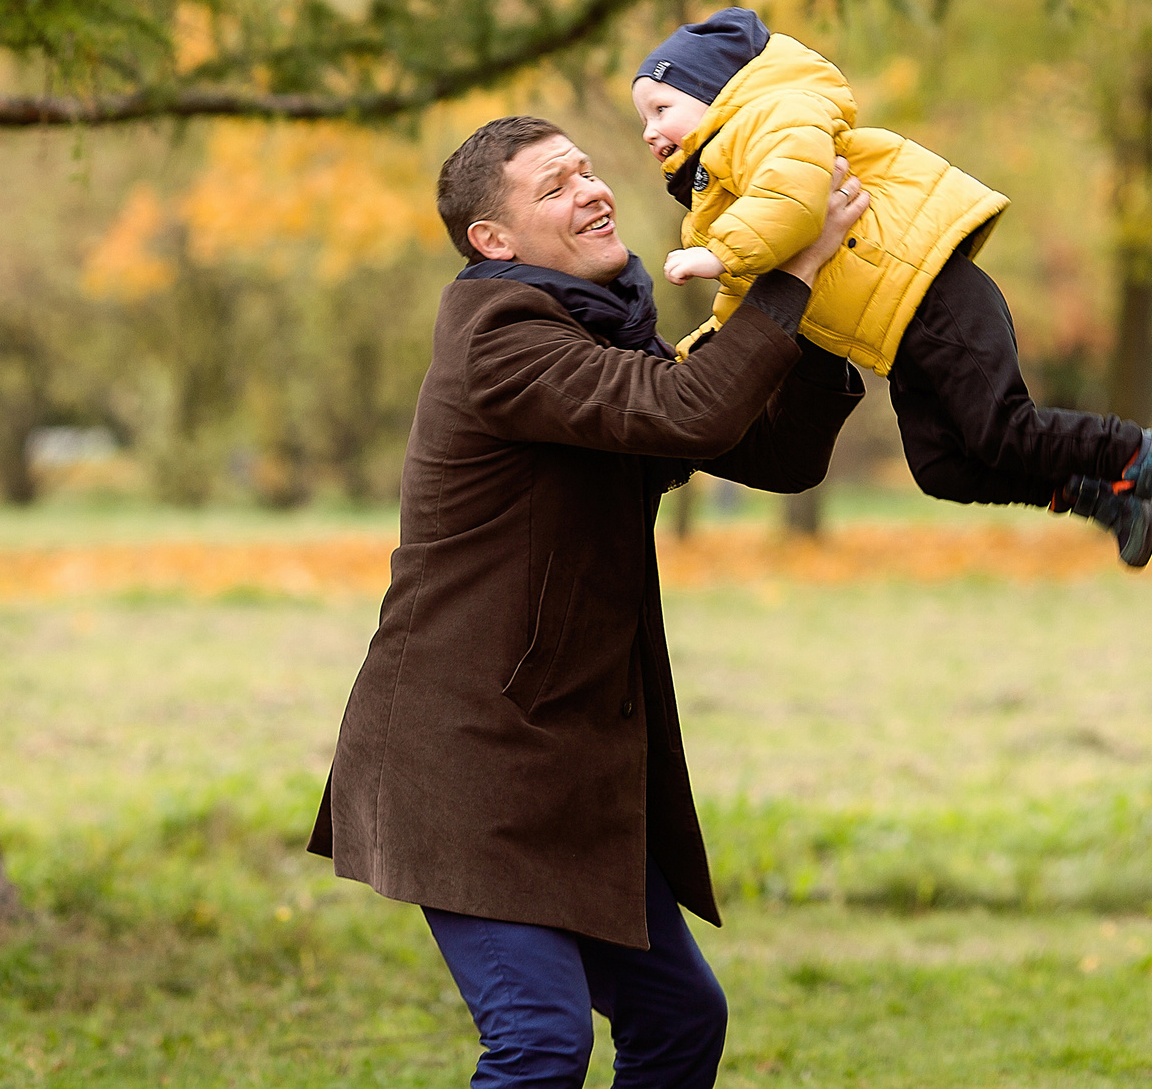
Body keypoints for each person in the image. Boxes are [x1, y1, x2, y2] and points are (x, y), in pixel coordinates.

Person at [311, 115, 871, 1089]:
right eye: (555, 187)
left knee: (678, 1019)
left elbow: (770, 452)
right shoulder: (502, 338)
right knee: (538, 1045)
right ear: (494, 239)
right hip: (468, 759)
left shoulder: (595, 337)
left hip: (565, 759)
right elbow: (688, 409)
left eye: (587, 170)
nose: (593, 190)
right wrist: (792, 277)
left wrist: (817, 321)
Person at [629, 6, 1152, 568]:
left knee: (1003, 427)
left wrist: (716, 252)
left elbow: (795, 195)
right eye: (643, 120)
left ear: (717, 92)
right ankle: (1101, 492)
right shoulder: (720, 198)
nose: (651, 131)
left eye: (661, 108)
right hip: (899, 333)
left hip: (934, 292)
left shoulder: (772, 121)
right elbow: (747, 302)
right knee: (943, 469)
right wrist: (693, 361)